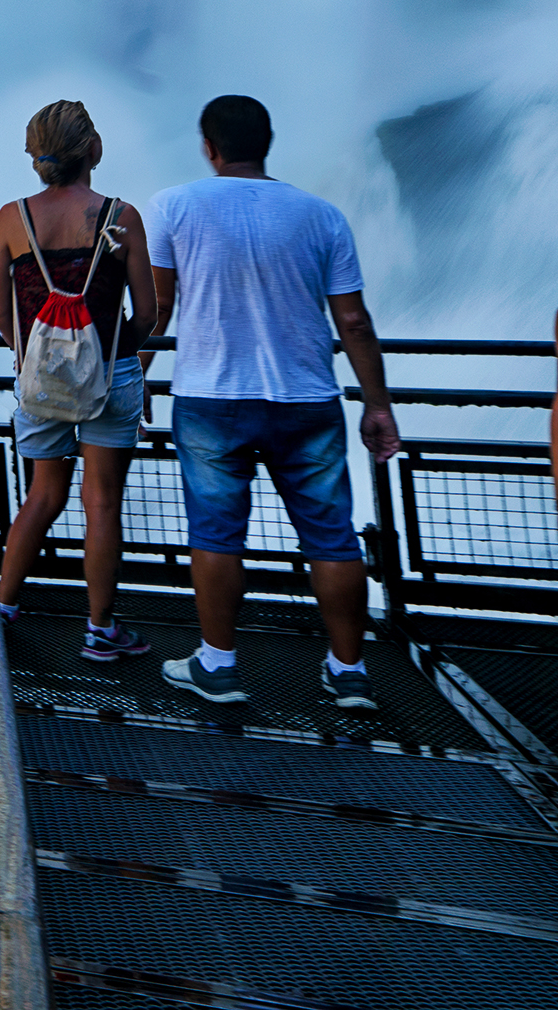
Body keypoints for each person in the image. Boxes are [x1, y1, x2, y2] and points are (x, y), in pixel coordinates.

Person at [146, 95, 400, 711]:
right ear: (268, 142)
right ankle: (348, 672)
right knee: (331, 538)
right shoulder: (323, 216)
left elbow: (157, 313)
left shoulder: (174, 206)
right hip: (306, 396)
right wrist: (378, 405)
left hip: (210, 397)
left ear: (209, 146)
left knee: (215, 533)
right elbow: (355, 322)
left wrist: (131, 386)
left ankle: (220, 665)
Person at [0, 100, 160, 661]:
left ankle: (2, 608)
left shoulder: (12, 218)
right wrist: (111, 356)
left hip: (40, 381)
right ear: (93, 149)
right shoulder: (120, 215)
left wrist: (36, 357)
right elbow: (148, 312)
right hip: (110, 375)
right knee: (102, 501)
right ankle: (100, 630)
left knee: (43, 494)